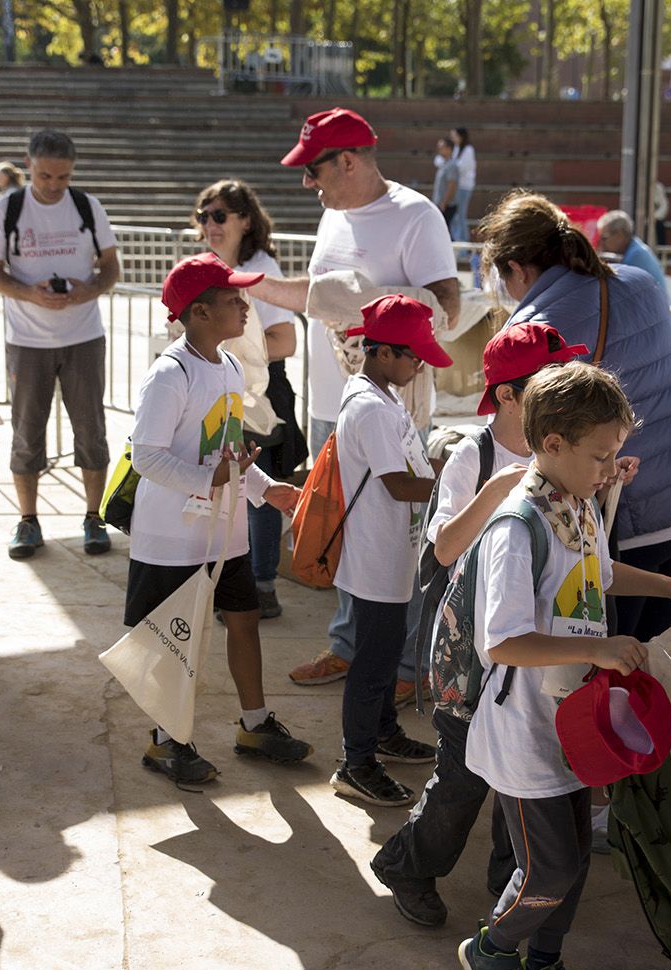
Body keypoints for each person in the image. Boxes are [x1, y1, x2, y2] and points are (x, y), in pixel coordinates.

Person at [457, 360, 671, 970]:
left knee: (567, 866)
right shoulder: (516, 526)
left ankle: (544, 964)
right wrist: (595, 650)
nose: (609, 469)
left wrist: (667, 588)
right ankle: (491, 953)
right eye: (600, 456)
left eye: (616, 455)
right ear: (553, 444)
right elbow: (503, 641)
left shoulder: (575, 505)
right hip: (525, 731)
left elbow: (596, 574)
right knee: (554, 865)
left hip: (577, 726)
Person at [369, 321, 581, 928]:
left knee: (526, 768)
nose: (563, 384)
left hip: (530, 644)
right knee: (462, 777)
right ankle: (408, 864)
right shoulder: (475, 455)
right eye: (550, 376)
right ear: (510, 395)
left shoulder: (559, 449)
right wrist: (495, 491)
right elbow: (441, 549)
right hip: (470, 651)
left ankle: (509, 879)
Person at [247, 107, 459, 694]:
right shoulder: (333, 216)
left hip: (394, 411)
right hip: (333, 405)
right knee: (343, 530)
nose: (306, 184)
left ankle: (408, 665)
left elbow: (449, 306)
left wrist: (365, 303)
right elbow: (320, 300)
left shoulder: (416, 215)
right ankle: (350, 645)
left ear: (347, 161)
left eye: (314, 170)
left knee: (401, 537)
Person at [478, 192, 671, 645]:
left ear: (516, 268)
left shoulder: (535, 329)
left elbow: (523, 435)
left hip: (625, 511)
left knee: (608, 667)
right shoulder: (638, 281)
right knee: (660, 660)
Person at [128, 253, 311, 785]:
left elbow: (227, 449)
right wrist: (206, 482)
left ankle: (254, 724)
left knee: (244, 620)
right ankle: (166, 740)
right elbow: (146, 455)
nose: (246, 308)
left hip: (224, 532)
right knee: (174, 637)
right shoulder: (170, 373)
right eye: (235, 300)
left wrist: (264, 488)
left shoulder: (230, 367)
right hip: (171, 537)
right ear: (202, 313)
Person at [327, 295, 451, 806]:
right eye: (412, 356)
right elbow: (399, 484)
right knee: (374, 662)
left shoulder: (384, 396)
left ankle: (381, 732)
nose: (418, 364)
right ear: (382, 353)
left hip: (390, 552)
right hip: (376, 556)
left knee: (382, 651)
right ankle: (356, 762)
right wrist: (458, 483)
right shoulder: (371, 408)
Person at [0, 128, 121, 558]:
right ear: (28, 166)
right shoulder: (9, 208)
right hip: (27, 339)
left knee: (91, 429)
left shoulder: (86, 206)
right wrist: (30, 293)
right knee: (26, 431)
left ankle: (94, 518)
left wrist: (88, 290)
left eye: (62, 178)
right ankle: (27, 520)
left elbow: (111, 266)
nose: (54, 186)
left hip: (83, 335)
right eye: (45, 177)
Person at [193, 178, 306, 621]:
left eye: (220, 215)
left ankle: (261, 586)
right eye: (204, 216)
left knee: (256, 486)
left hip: (260, 392)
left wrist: (226, 351)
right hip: (216, 388)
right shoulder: (204, 262)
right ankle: (227, 578)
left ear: (245, 219)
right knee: (223, 480)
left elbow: (286, 340)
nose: (210, 224)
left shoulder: (261, 267)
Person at [597, 209, 669, 294]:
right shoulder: (635, 248)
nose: (601, 244)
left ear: (620, 236)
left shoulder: (635, 256)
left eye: (604, 238)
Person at [448, 127, 476, 244]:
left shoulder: (468, 150)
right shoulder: (456, 148)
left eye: (454, 136)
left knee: (461, 215)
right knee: (455, 216)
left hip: (464, 186)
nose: (452, 138)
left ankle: (464, 242)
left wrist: (451, 164)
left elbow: (464, 167)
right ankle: (458, 240)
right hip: (457, 186)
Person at [431, 138, 460, 228]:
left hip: (447, 205)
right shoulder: (444, 163)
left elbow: (452, 184)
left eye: (441, 147)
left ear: (449, 149)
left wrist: (445, 201)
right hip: (440, 203)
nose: (439, 149)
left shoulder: (452, 165)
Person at [652, 179, 670, 247]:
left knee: (659, 226)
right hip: (642, 219)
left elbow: (664, 206)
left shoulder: (658, 187)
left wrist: (654, 217)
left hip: (656, 219)